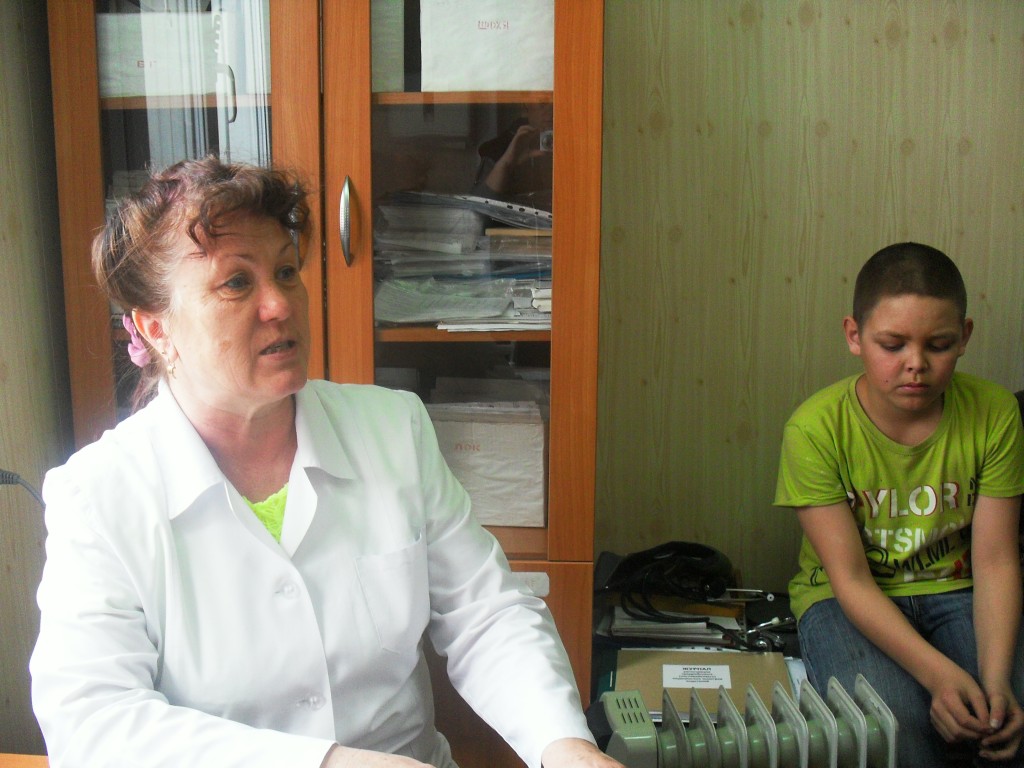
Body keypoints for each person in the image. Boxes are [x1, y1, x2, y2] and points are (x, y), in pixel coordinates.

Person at [30, 156, 623, 768]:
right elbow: (93, 721)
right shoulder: (99, 496)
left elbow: (486, 612)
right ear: (156, 328)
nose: (279, 304)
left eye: (287, 272)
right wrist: (331, 763)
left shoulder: (391, 428)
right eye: (237, 283)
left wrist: (563, 745)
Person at [775, 242, 1024, 766]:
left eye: (939, 344)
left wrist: (998, 680)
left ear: (965, 337)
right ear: (854, 336)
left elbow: (997, 561)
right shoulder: (814, 429)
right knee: (896, 725)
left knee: (999, 714)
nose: (916, 365)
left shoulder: (995, 413)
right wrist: (940, 675)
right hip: (844, 600)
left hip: (958, 588)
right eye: (892, 345)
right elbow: (850, 580)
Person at [472, 102, 553, 210]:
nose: (551, 111)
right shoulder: (499, 148)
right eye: (543, 103)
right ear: (525, 107)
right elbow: (478, 208)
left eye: (557, 104)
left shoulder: (574, 144)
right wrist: (507, 163)